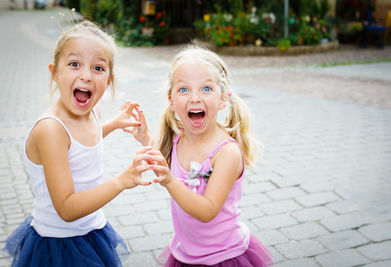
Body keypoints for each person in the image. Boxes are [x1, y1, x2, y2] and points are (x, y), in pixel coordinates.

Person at [2, 20, 153, 267]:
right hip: (58, 245)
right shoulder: (51, 129)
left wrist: (114, 124)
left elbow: (82, 144)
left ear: (109, 80)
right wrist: (122, 181)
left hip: (92, 231)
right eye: (74, 64)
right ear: (55, 72)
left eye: (98, 68)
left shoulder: (92, 114)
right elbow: (67, 209)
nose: (85, 75)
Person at [141, 45, 273, 266]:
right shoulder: (178, 139)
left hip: (224, 256)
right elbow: (164, 163)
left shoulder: (226, 152)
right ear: (171, 100)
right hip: (185, 253)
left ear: (222, 99)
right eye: (184, 90)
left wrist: (169, 181)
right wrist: (144, 138)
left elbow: (207, 210)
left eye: (206, 89)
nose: (194, 98)